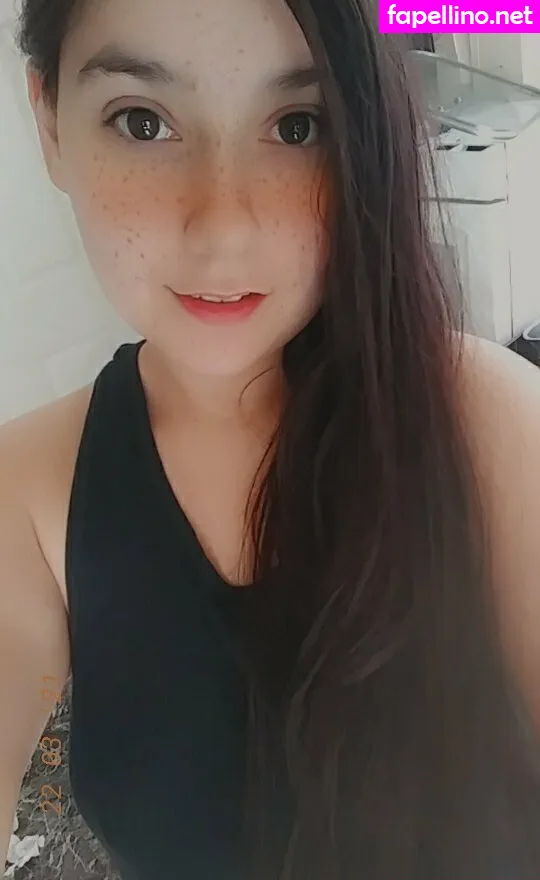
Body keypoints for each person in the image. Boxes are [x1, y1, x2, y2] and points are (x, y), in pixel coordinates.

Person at [2, 0, 540, 877]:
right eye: (142, 122)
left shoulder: (493, 426)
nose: (223, 227)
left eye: (297, 126)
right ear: (52, 124)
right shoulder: (26, 496)